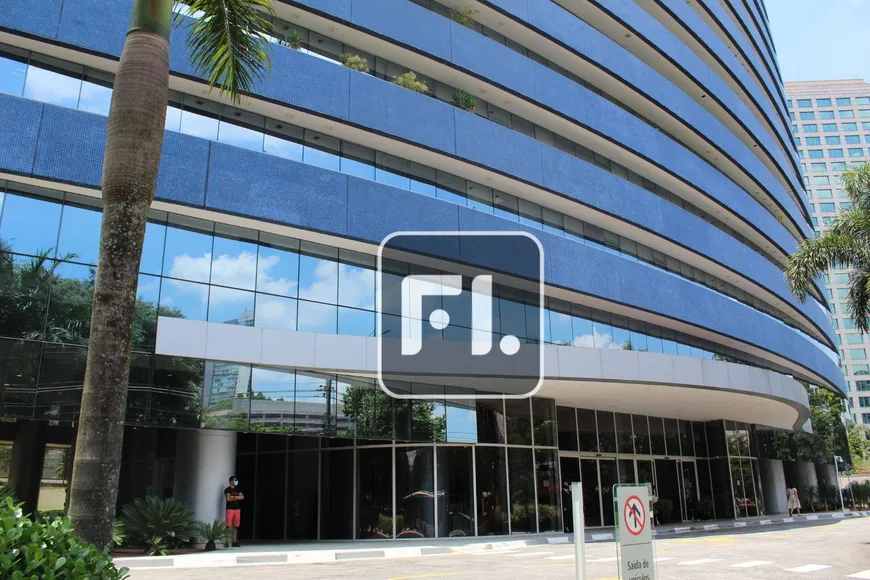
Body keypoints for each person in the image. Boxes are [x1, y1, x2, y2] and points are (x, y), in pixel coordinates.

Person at [224, 475, 244, 547]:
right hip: (230, 509)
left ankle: (234, 541)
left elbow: (242, 497)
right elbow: (228, 499)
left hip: (237, 509)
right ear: (231, 481)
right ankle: (226, 541)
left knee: (235, 526)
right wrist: (237, 497)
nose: (236, 481)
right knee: (228, 525)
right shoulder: (227, 490)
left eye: (236, 480)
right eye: (234, 480)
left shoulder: (238, 489)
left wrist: (234, 497)